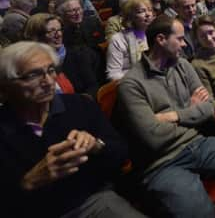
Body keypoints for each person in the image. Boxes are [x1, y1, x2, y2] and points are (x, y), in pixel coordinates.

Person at [0, 42, 144, 218]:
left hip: (91, 203)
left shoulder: (80, 105)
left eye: (51, 70)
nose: (48, 81)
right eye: (33, 74)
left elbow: (122, 154)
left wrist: (96, 146)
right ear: (7, 84)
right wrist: (28, 182)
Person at [115, 15, 215, 218]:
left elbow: (208, 108)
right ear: (161, 39)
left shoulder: (182, 65)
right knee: (199, 214)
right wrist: (191, 111)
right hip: (162, 163)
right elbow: (153, 137)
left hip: (198, 143)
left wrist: (173, 116)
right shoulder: (131, 84)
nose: (185, 43)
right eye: (179, 38)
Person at [24, 13, 101, 97]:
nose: (59, 35)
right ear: (36, 37)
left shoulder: (78, 55)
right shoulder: (29, 66)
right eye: (52, 31)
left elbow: (93, 88)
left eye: (60, 30)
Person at [106, 0, 154, 81]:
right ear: (131, 17)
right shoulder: (118, 40)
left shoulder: (155, 34)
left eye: (149, 10)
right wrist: (138, 80)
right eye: (141, 11)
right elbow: (113, 74)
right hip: (132, 84)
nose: (148, 14)